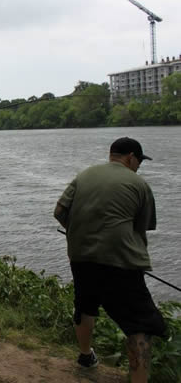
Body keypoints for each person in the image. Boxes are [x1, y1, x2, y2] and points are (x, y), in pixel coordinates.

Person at [54, 137, 166, 383]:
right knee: (141, 323)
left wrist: (76, 233)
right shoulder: (138, 184)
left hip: (81, 255)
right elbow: (141, 229)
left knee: (85, 304)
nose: (138, 166)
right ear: (130, 158)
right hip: (120, 261)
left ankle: (85, 356)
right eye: (139, 161)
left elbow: (59, 212)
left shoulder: (84, 175)